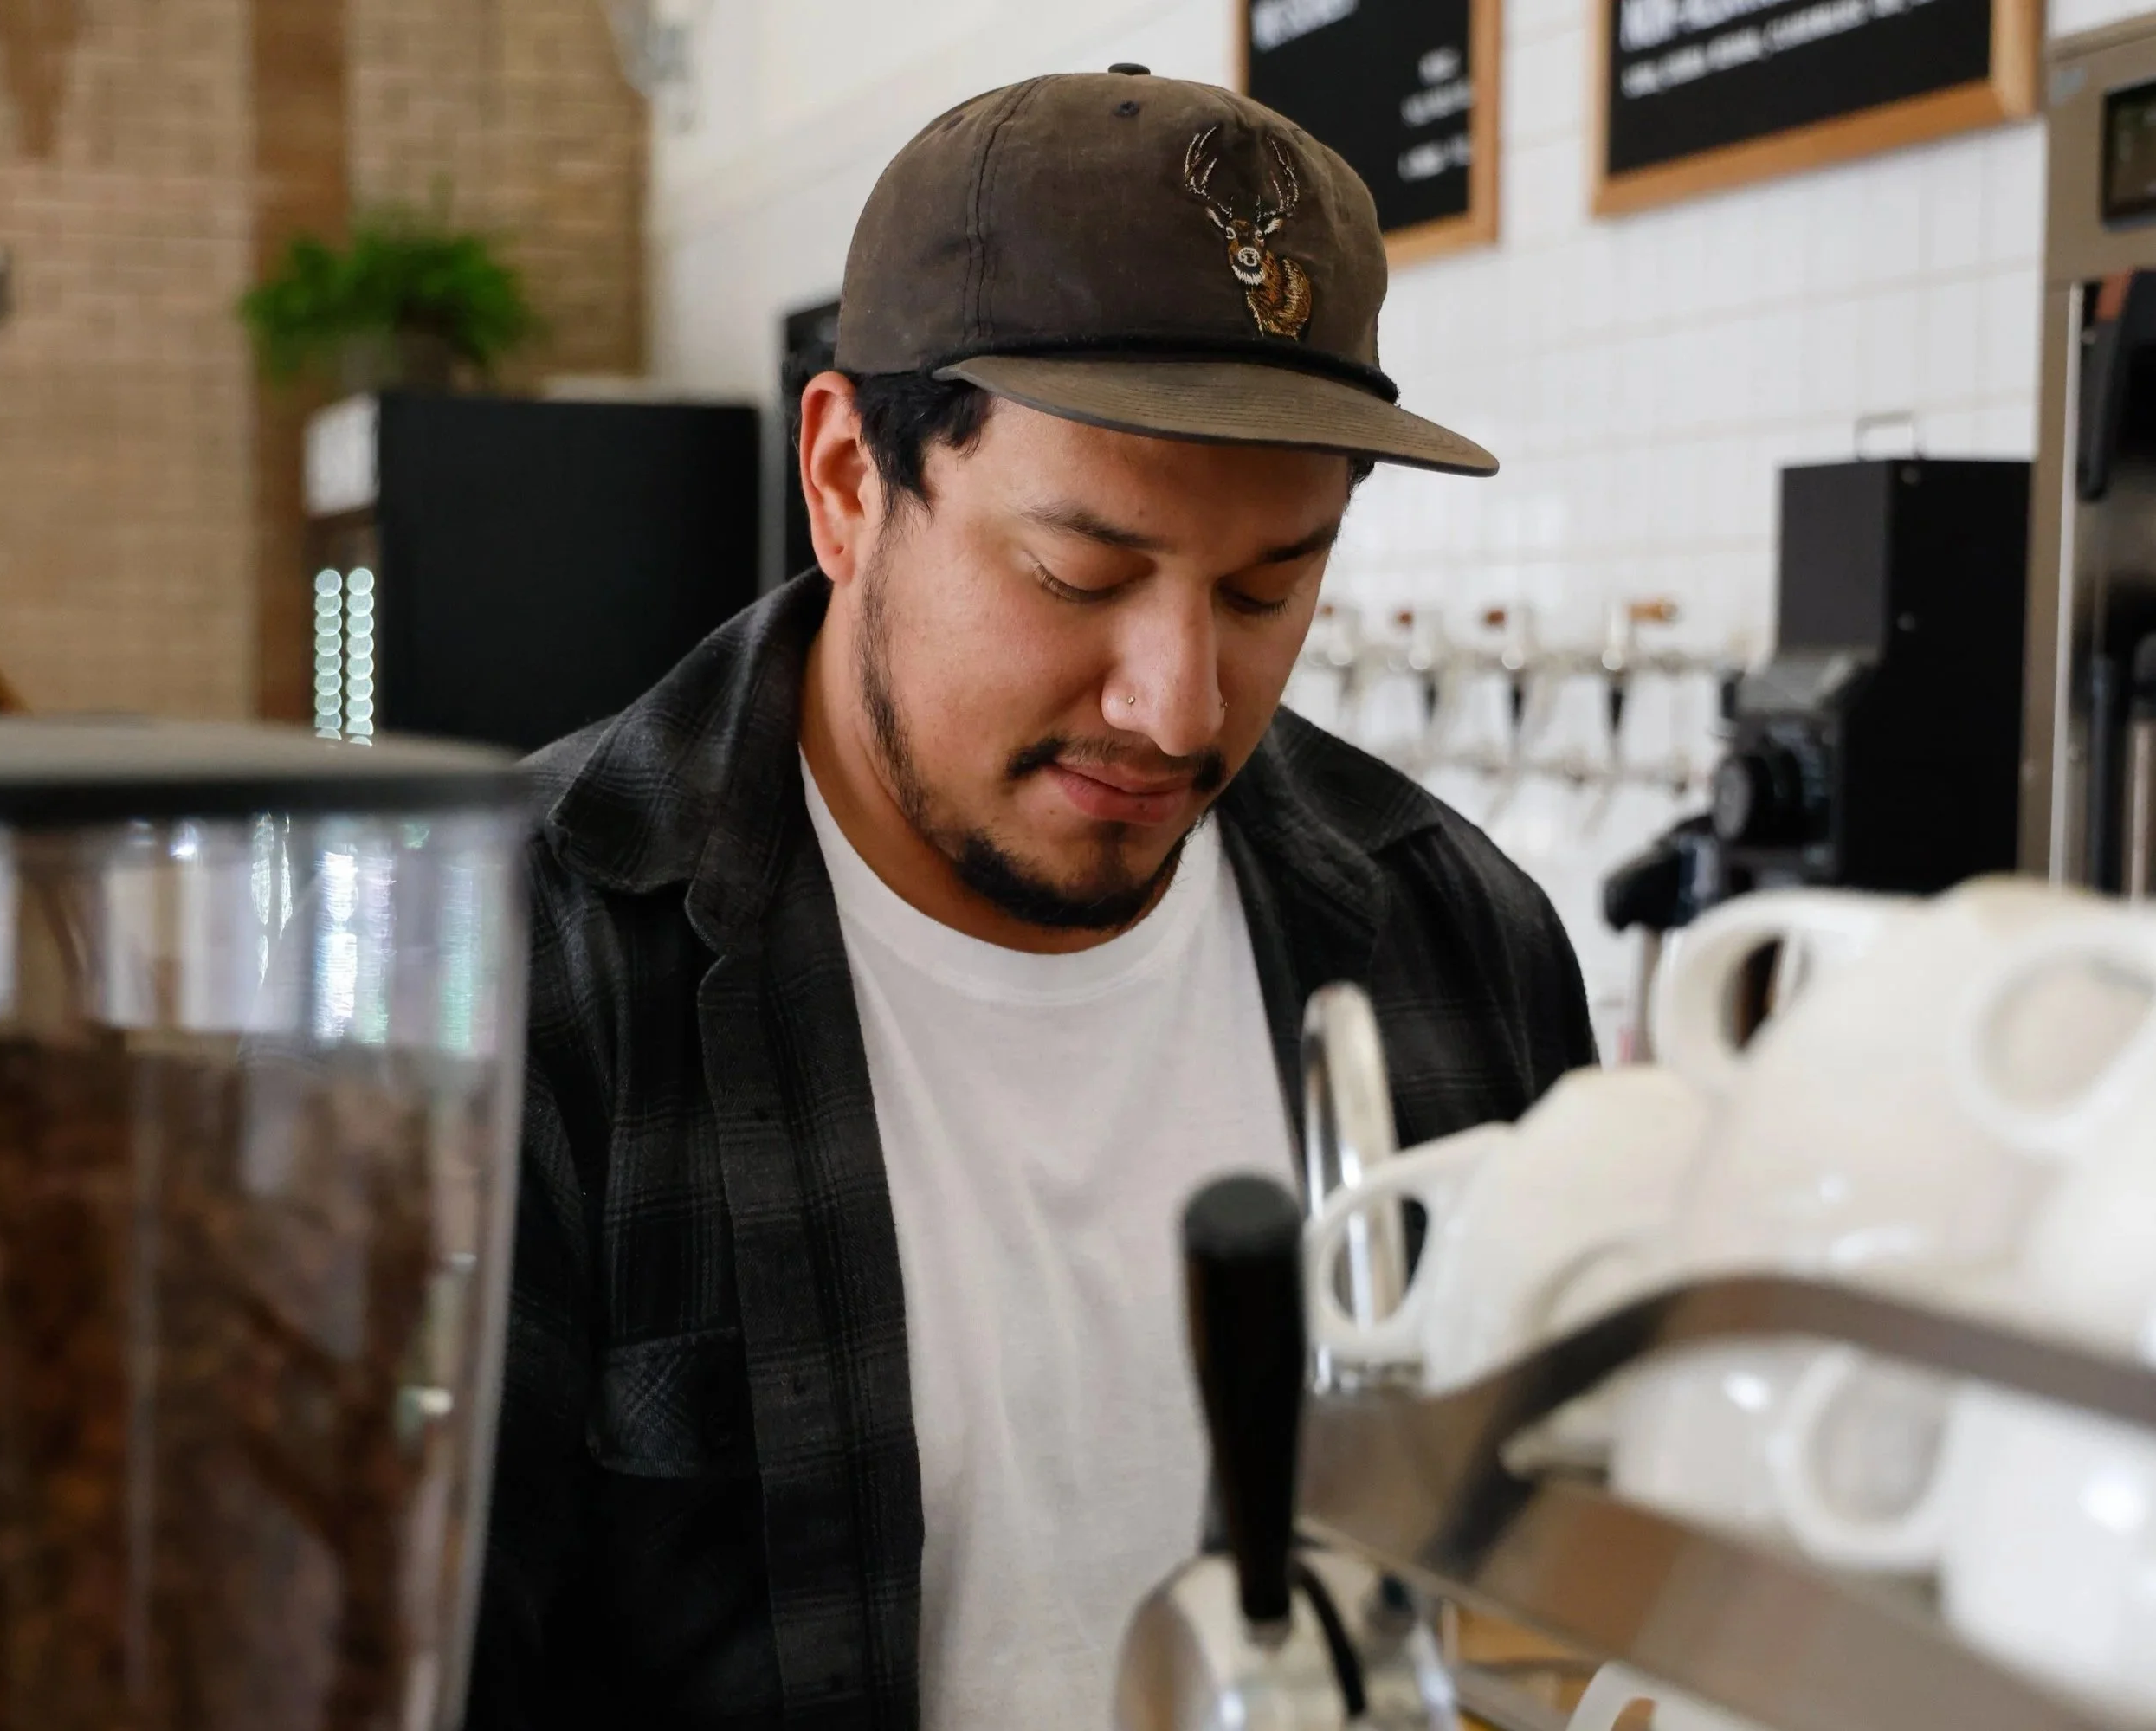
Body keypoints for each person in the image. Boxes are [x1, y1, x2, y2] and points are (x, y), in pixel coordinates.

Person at [468, 67, 1593, 1731]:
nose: (1180, 706)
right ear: (851, 480)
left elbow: (1546, 1584)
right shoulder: (522, 963)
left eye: (1270, 589)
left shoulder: (1454, 936)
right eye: (1083, 574)